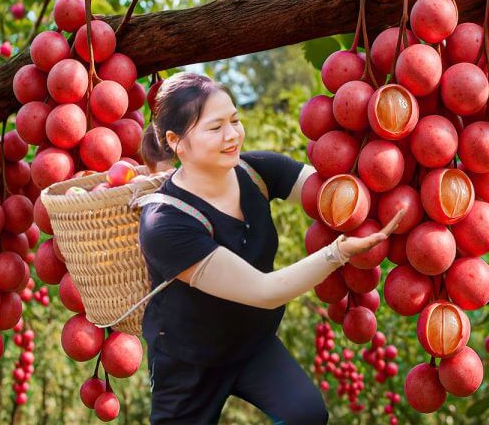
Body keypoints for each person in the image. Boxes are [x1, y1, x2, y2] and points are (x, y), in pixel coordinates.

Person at [138, 72, 402, 425]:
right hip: (188, 363)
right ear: (176, 141)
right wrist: (337, 252)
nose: (232, 135)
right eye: (216, 128)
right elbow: (265, 291)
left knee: (306, 415)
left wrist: (383, 168)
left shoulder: (256, 171)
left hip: (252, 344)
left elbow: (331, 191)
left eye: (235, 120)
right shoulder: (164, 223)